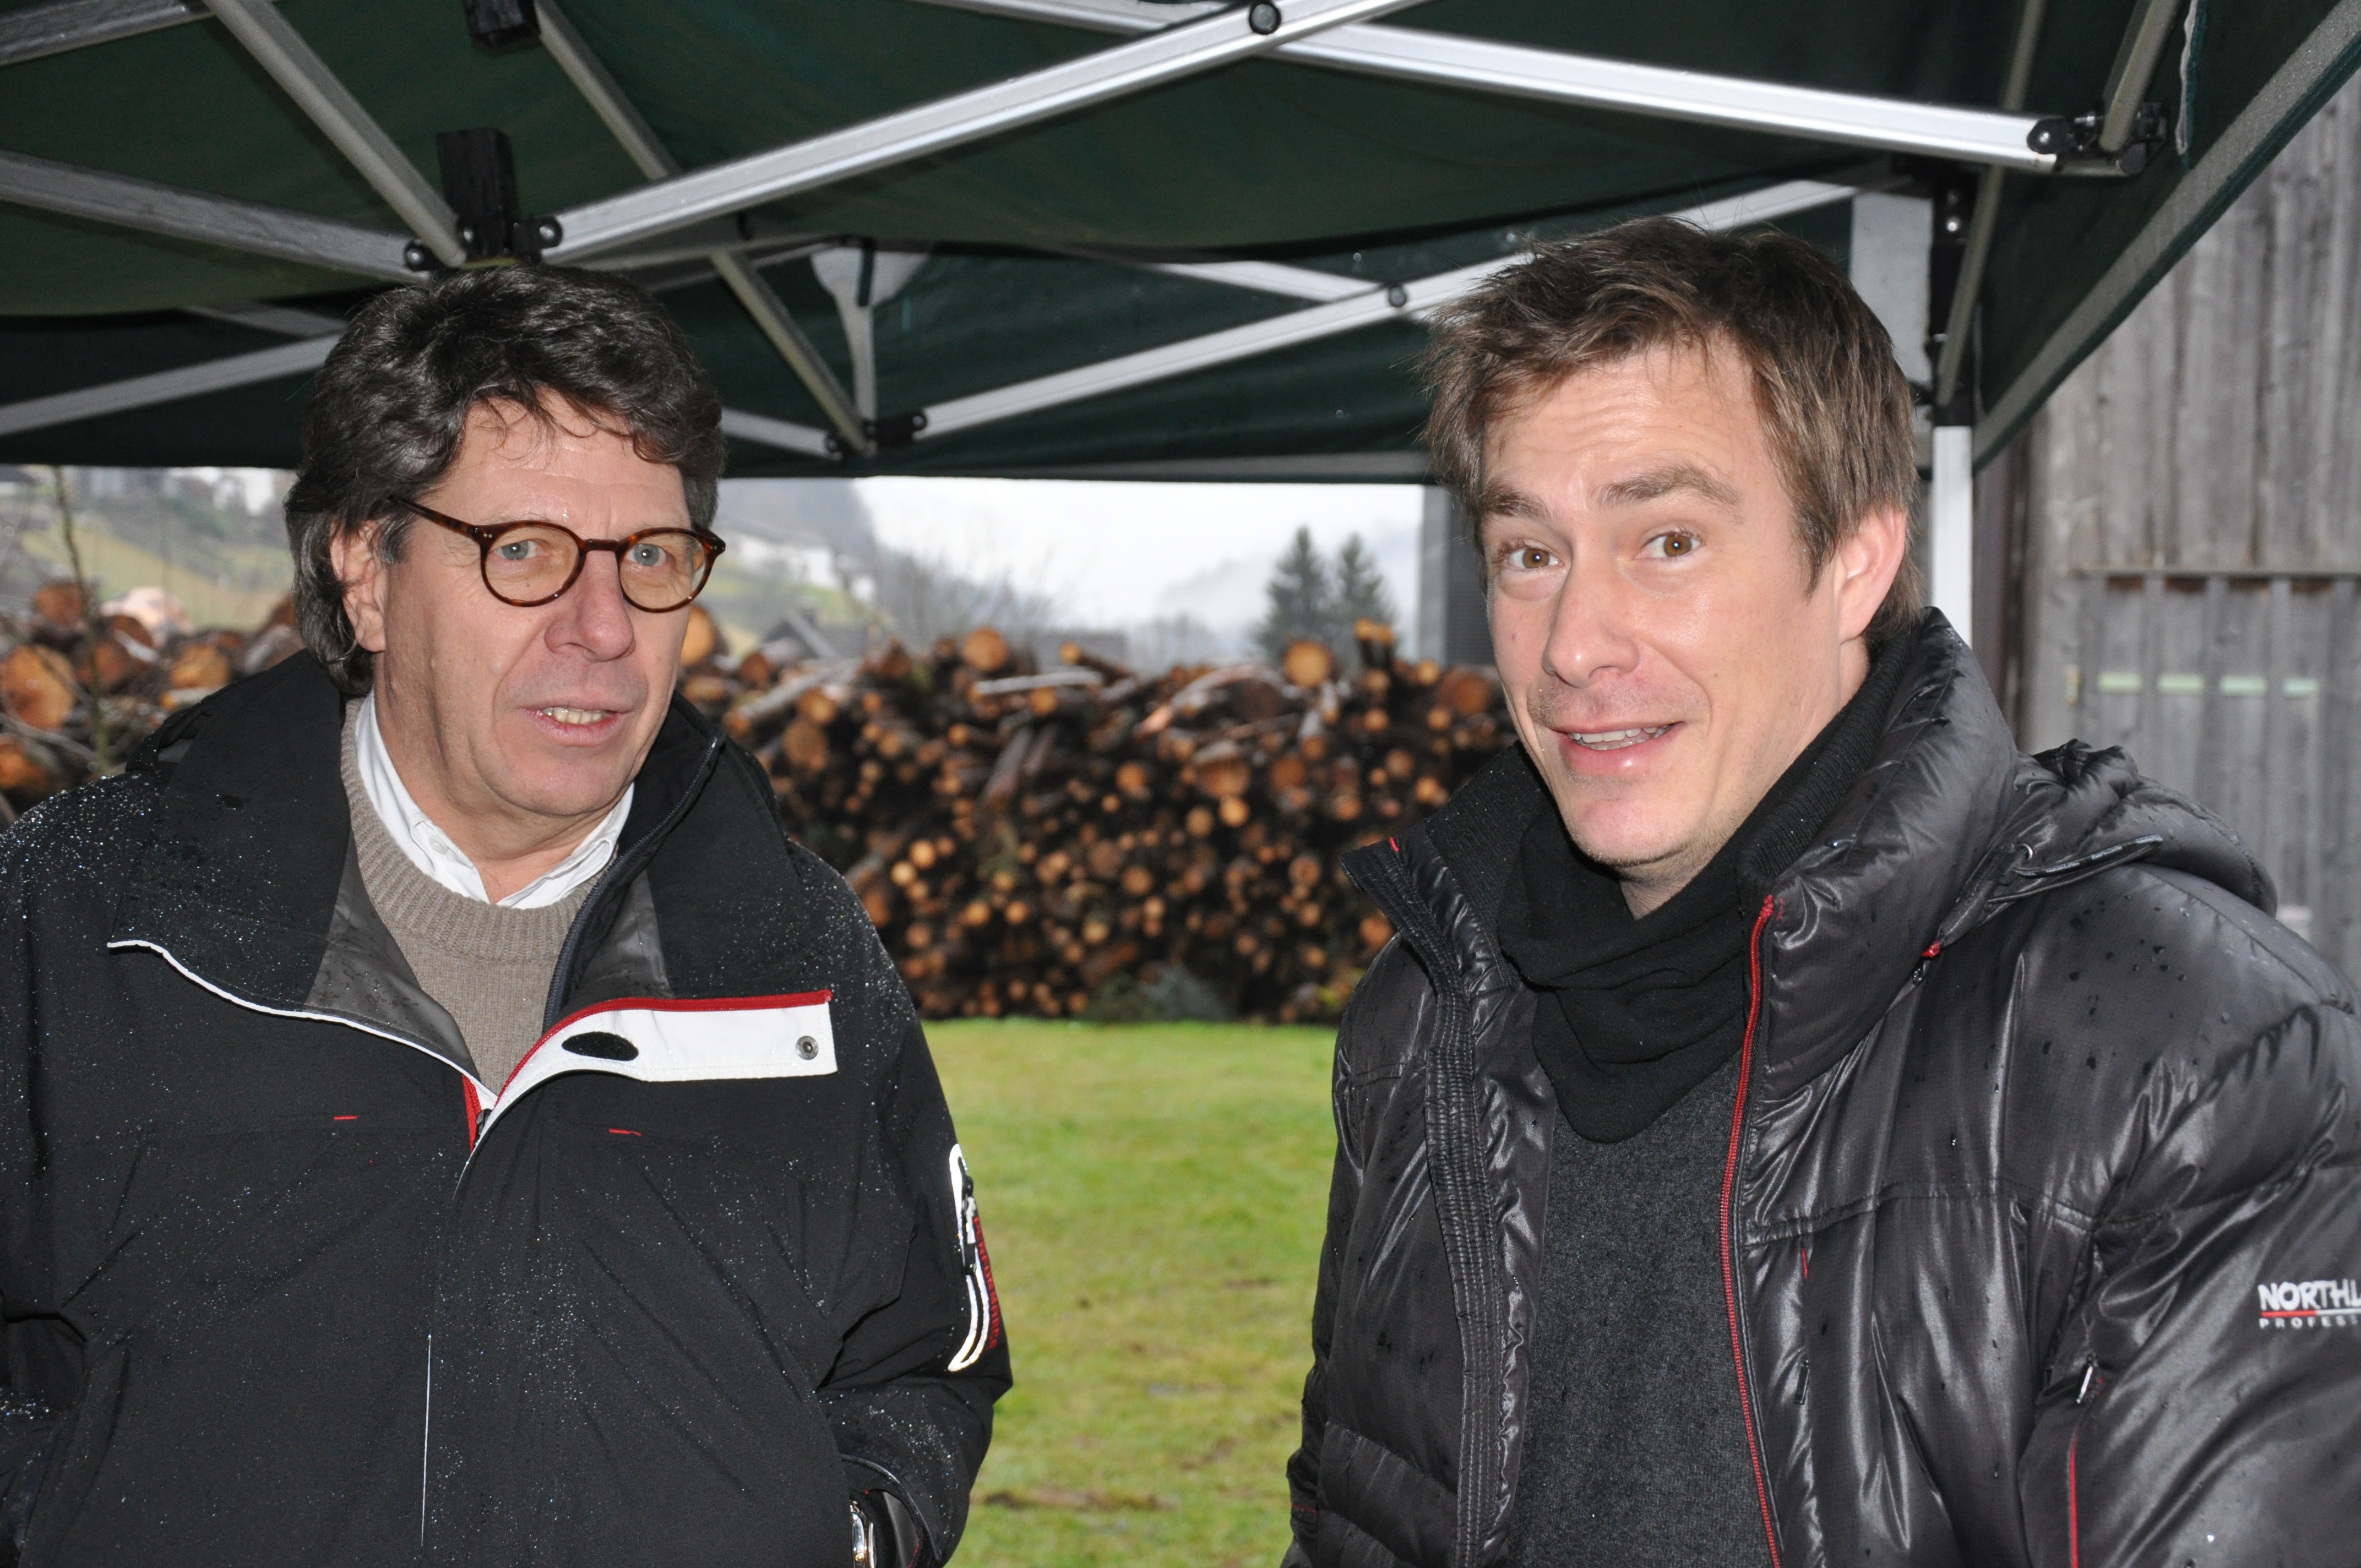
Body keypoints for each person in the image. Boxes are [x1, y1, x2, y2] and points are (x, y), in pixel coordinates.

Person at [1283, 218, 2361, 1567]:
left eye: (1665, 540)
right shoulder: (1426, 1018)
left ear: (1853, 558)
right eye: (1528, 552)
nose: (1572, 645)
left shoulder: (2185, 1058)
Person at [0, 266, 1005, 1568]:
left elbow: (921, 1358)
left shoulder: (791, 945)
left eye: (651, 558)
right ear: (366, 569)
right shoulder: (86, 918)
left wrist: (850, 1533)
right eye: (522, 550)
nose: (603, 628)